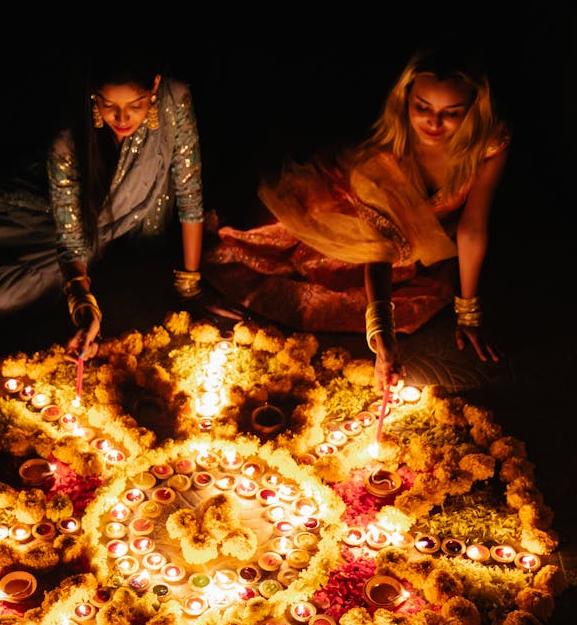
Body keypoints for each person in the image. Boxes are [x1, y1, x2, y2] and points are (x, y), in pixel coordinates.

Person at [202, 45, 511, 391]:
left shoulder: (489, 145)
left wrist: (468, 313)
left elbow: (472, 228)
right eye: (422, 107)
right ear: (406, 98)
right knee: (264, 246)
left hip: (410, 240)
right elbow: (375, 251)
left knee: (413, 294)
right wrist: (383, 338)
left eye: (451, 112)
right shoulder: (384, 158)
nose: (434, 123)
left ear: (473, 108)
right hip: (347, 210)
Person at [0, 49, 205, 361]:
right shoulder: (68, 136)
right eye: (109, 105)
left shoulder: (175, 99)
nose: (122, 118)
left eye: (135, 105)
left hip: (85, 235)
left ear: (154, 86)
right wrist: (82, 300)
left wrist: (189, 283)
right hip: (35, 213)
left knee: (5, 295)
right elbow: (69, 238)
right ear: (92, 94)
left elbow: (188, 188)